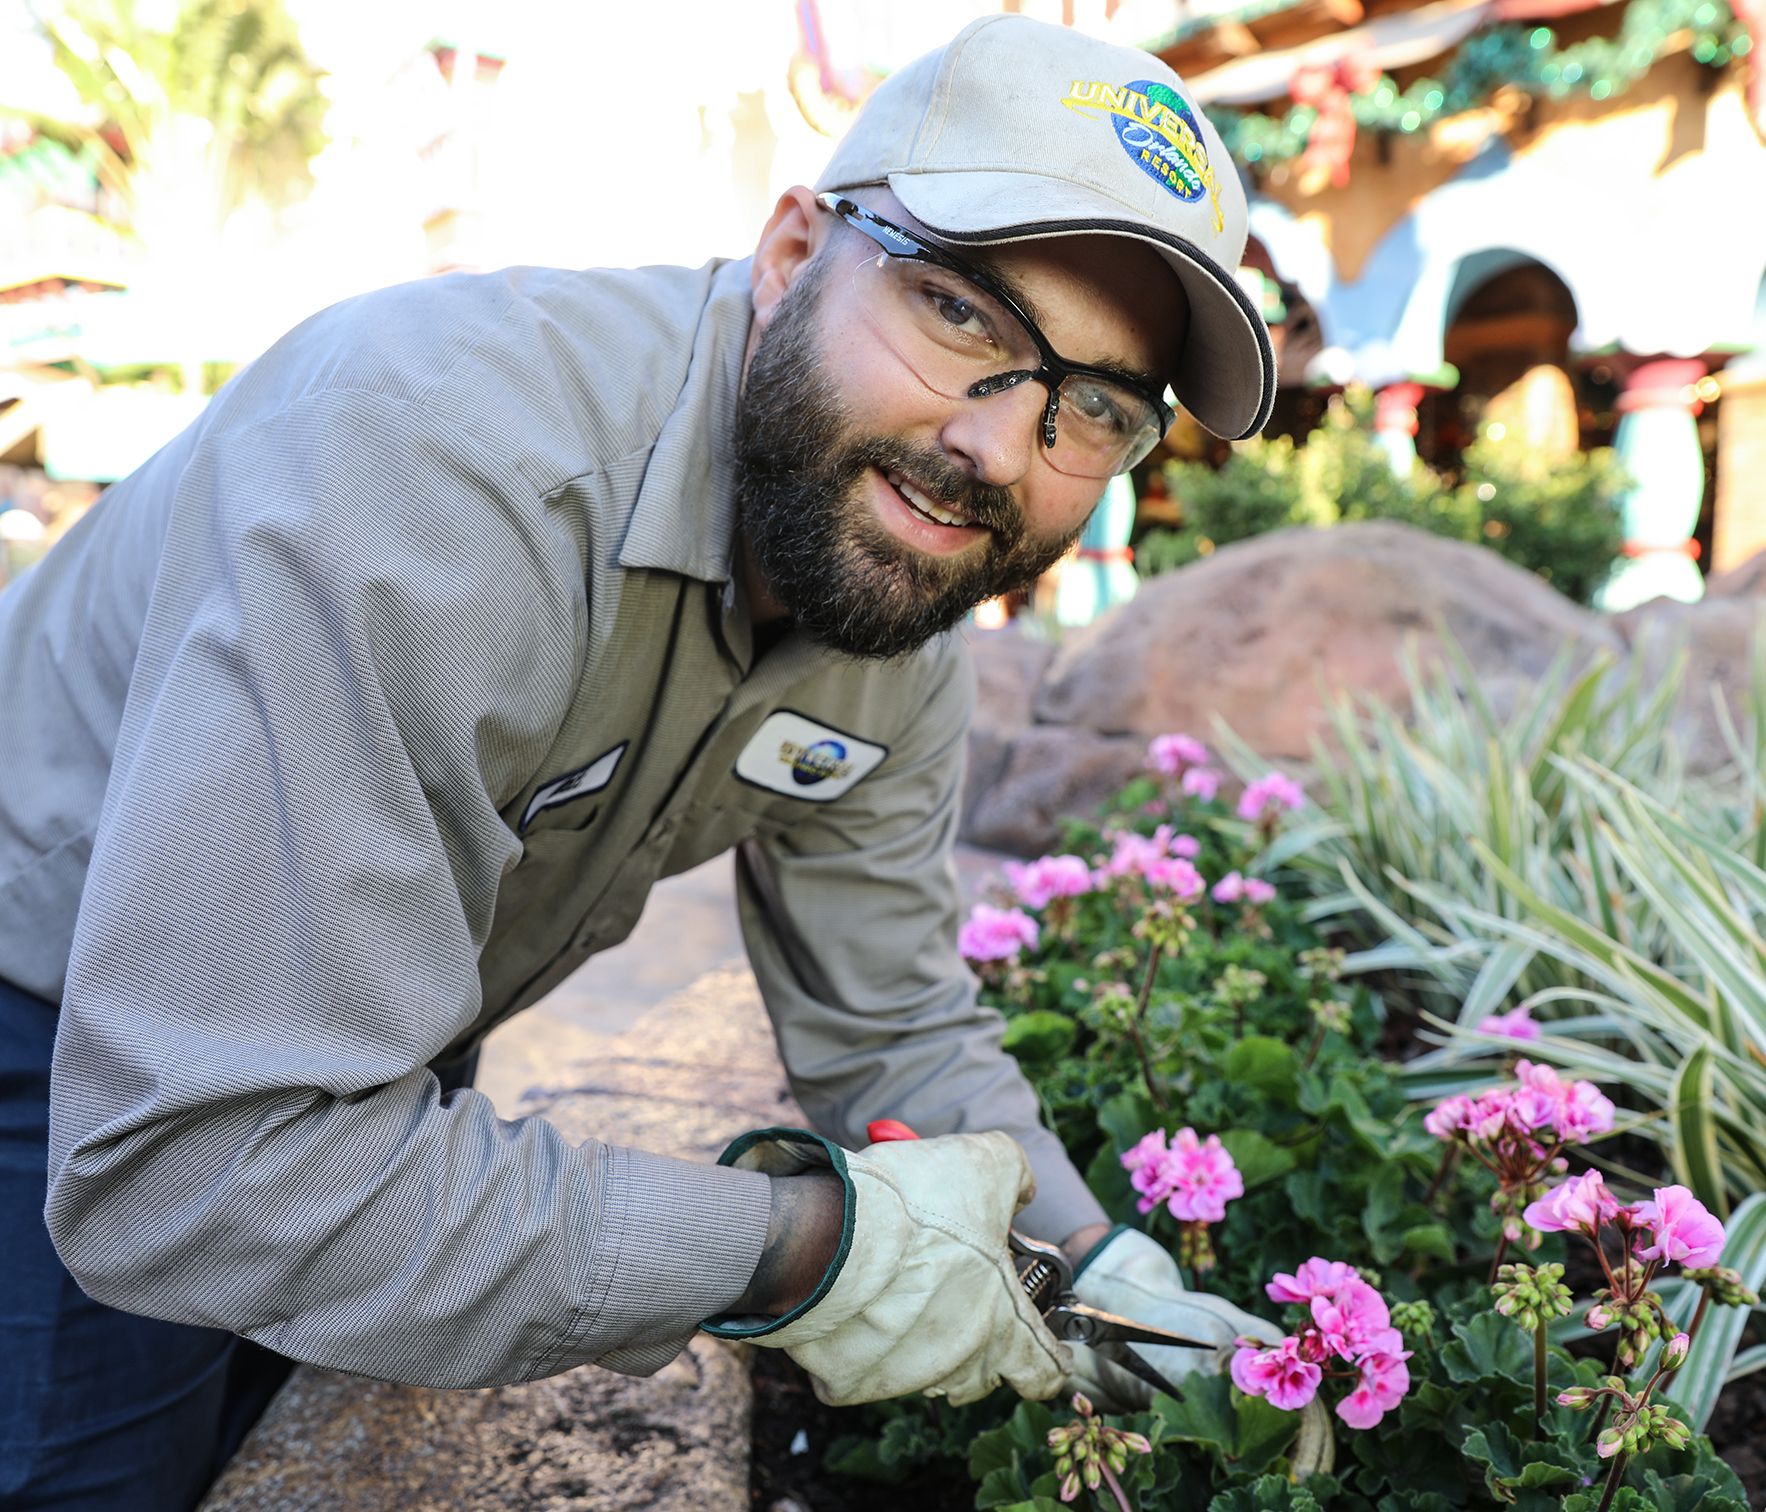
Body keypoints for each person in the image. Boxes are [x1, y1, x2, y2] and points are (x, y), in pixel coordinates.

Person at [0, 15, 1278, 1510]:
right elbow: (203, 1167)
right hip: (59, 984)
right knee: (102, 1473)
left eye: (1102, 406)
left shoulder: (892, 608)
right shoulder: (434, 476)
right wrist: (801, 1244)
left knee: (257, 1428)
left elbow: (893, 1033)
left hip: (393, 1011)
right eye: (962, 313)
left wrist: (1102, 1274)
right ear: (796, 251)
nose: (1001, 448)